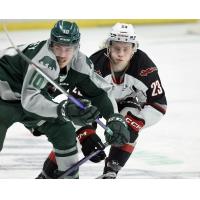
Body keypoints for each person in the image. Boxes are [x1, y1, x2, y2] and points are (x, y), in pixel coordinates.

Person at [0, 20, 131, 179]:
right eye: (58, 47)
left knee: (64, 132)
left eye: (68, 48)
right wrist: (64, 109)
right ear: (50, 44)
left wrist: (115, 117)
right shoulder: (43, 60)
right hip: (5, 99)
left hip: (27, 101)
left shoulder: (80, 64)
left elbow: (99, 93)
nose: (62, 54)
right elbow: (30, 100)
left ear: (77, 48)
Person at [36, 22, 167, 179]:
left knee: (128, 124)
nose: (121, 53)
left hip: (127, 103)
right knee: (71, 134)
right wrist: (85, 134)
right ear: (108, 47)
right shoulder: (94, 65)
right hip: (95, 103)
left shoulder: (144, 66)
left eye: (126, 48)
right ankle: (47, 173)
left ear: (134, 49)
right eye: (117, 48)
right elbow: (78, 105)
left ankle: (111, 172)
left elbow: (159, 104)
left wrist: (138, 122)